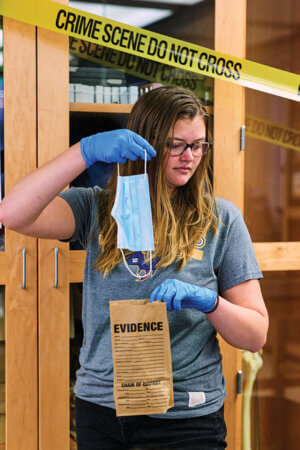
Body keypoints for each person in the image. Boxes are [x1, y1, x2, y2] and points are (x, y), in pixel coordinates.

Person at [0, 86, 268, 449]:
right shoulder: (97, 208)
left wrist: (211, 302)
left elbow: (255, 335)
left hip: (186, 420)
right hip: (103, 413)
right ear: (147, 141)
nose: (190, 156)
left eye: (199, 144)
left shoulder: (221, 219)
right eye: (176, 144)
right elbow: (12, 213)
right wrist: (86, 150)